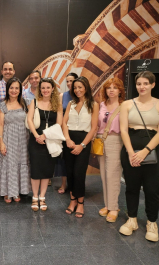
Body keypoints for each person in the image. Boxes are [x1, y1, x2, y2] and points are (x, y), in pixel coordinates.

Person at [119, 71, 159, 242]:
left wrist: (145, 151)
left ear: (153, 85)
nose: (142, 87)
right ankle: (132, 219)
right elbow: (123, 130)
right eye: (139, 83)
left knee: (152, 189)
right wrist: (131, 152)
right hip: (130, 151)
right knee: (131, 187)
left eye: (146, 83)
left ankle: (152, 222)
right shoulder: (126, 104)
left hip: (152, 151)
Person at [62, 76, 99, 218]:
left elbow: (93, 128)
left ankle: (81, 203)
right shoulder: (71, 103)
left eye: (80, 87)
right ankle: (72, 201)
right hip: (69, 141)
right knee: (70, 172)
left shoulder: (93, 104)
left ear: (86, 88)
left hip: (84, 141)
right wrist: (67, 139)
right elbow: (64, 123)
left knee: (79, 173)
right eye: (75, 87)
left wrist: (82, 145)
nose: (77, 90)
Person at [27, 77, 63, 211]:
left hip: (50, 140)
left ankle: (42, 197)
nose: (45, 90)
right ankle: (34, 197)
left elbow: (59, 123)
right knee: (36, 170)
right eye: (43, 88)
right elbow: (29, 120)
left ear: (53, 89)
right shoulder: (34, 102)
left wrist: (45, 135)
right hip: (35, 141)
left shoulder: (57, 104)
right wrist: (37, 136)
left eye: (48, 87)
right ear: (39, 89)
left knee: (47, 170)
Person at [0, 77, 31, 203]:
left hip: (23, 138)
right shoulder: (2, 105)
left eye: (17, 88)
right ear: (7, 89)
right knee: (9, 164)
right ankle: (8, 192)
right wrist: (1, 142)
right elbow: (0, 124)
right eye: (11, 88)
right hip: (8, 138)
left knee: (21, 163)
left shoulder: (26, 103)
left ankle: (17, 191)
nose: (14, 90)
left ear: (20, 90)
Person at [96, 77, 125, 223]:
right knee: (103, 174)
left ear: (120, 90)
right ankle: (107, 205)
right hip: (101, 139)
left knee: (113, 175)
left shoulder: (124, 106)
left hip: (115, 139)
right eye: (109, 88)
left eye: (115, 87)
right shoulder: (101, 104)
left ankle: (114, 207)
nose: (111, 90)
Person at [56, 72, 78, 194]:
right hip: (64, 131)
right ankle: (64, 184)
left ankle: (75, 184)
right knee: (64, 159)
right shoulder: (62, 96)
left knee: (76, 160)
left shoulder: (81, 95)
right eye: (67, 81)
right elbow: (59, 113)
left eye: (72, 81)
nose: (69, 83)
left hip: (78, 131)